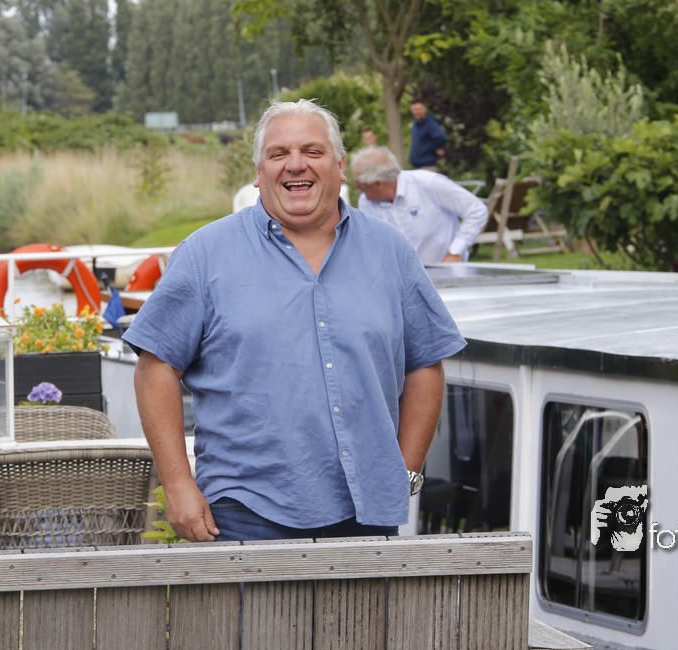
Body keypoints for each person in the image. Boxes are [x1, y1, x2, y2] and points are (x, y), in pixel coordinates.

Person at [124, 98, 465, 543]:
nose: (295, 164)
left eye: (312, 151)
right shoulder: (204, 254)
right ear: (258, 171)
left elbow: (425, 362)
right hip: (244, 513)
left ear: (340, 167)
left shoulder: (391, 251)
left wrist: (406, 470)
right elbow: (156, 367)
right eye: (278, 153)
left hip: (369, 512)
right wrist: (177, 484)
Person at [350, 146, 489, 264]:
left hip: (445, 271)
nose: (356, 187)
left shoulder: (428, 183)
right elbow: (373, 243)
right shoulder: (366, 202)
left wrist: (455, 251)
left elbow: (477, 210)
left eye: (360, 183)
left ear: (378, 183)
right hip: (401, 279)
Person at [408, 100, 448, 171]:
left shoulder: (430, 123)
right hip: (417, 166)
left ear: (425, 109)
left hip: (428, 166)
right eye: (414, 110)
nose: (416, 112)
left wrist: (436, 147)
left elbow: (441, 137)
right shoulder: (415, 124)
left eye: (418, 109)